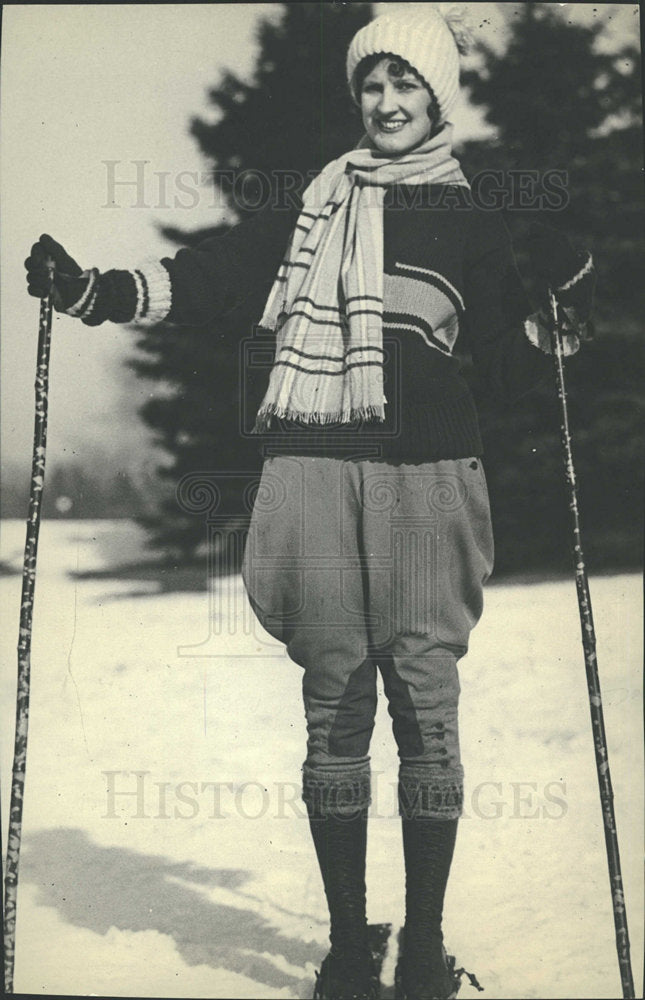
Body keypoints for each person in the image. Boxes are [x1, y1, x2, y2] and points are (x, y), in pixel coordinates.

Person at [25, 7, 595, 999]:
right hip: (310, 470)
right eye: (372, 86)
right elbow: (204, 280)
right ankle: (343, 948)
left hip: (429, 479)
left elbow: (507, 363)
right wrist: (93, 290)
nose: (387, 103)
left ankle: (422, 947)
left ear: (437, 98)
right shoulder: (313, 208)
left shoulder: (471, 216)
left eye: (406, 85)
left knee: (425, 702)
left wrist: (558, 317)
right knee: (334, 704)